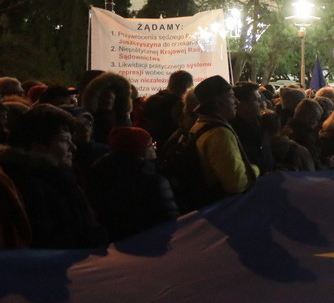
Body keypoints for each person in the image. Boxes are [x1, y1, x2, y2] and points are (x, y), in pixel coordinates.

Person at [0, 104, 108, 248]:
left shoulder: (61, 176)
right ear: (37, 145)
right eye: (64, 140)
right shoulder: (28, 186)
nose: (73, 147)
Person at [86, 127, 179, 242]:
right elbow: (170, 219)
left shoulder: (99, 174)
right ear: (140, 150)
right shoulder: (154, 181)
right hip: (152, 243)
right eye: (151, 145)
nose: (155, 149)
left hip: (116, 246)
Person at [184, 76, 258, 207]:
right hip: (223, 208)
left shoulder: (199, 126)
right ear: (219, 102)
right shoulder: (220, 134)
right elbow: (236, 184)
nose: (236, 102)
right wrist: (255, 169)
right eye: (231, 97)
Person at [139, 70, 193, 150]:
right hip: (170, 147)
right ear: (187, 85)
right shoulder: (179, 105)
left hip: (150, 145)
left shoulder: (152, 100)